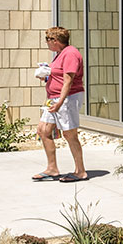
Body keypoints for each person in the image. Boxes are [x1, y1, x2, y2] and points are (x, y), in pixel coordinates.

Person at [33, 26, 87, 182]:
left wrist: (60, 103)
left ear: (54, 40)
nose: (46, 43)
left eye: (47, 40)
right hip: (54, 98)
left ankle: (80, 171)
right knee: (43, 130)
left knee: (70, 134)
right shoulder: (59, 54)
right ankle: (52, 169)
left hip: (67, 98)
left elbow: (68, 81)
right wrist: (46, 77)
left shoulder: (70, 54)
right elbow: (58, 76)